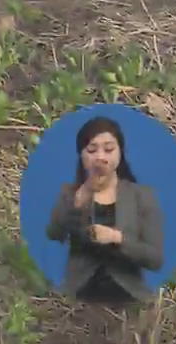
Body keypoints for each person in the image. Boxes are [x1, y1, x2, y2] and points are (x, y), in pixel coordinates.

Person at [45, 116, 164, 303]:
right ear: (81, 155)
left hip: (128, 293)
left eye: (109, 149)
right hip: (79, 293)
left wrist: (117, 238)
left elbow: (155, 259)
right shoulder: (69, 193)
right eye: (92, 150)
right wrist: (78, 201)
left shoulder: (142, 195)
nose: (100, 157)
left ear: (120, 153)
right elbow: (54, 233)